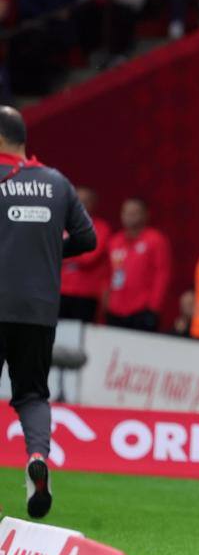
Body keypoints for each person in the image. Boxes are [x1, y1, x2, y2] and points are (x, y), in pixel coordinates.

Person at [0, 106, 96, 518]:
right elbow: (87, 238)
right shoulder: (56, 182)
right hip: (38, 309)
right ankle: (37, 457)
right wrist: (48, 252)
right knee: (33, 394)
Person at [105, 196, 170, 331]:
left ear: (145, 215)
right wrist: (106, 302)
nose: (130, 216)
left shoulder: (155, 240)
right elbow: (107, 275)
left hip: (142, 309)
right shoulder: (114, 241)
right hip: (115, 309)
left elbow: (162, 274)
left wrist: (153, 307)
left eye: (135, 213)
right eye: (126, 212)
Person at [59, 187, 111, 322]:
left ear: (93, 204)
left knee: (79, 339)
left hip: (85, 294)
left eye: (85, 201)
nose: (80, 204)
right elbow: (52, 253)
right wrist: (74, 254)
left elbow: (90, 257)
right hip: (60, 290)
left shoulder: (101, 228)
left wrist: (65, 255)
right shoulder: (60, 224)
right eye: (77, 200)